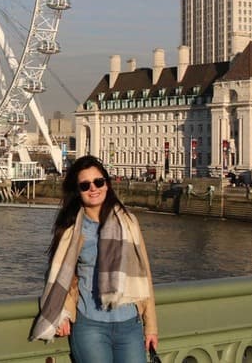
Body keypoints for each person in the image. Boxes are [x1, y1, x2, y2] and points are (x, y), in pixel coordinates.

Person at [29, 155, 159, 362]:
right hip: (90, 324)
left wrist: (151, 326)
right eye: (85, 185)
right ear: (77, 191)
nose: (93, 188)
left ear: (107, 184)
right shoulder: (72, 229)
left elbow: (144, 274)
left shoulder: (128, 222)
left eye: (98, 182)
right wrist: (62, 312)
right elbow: (63, 275)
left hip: (129, 324)